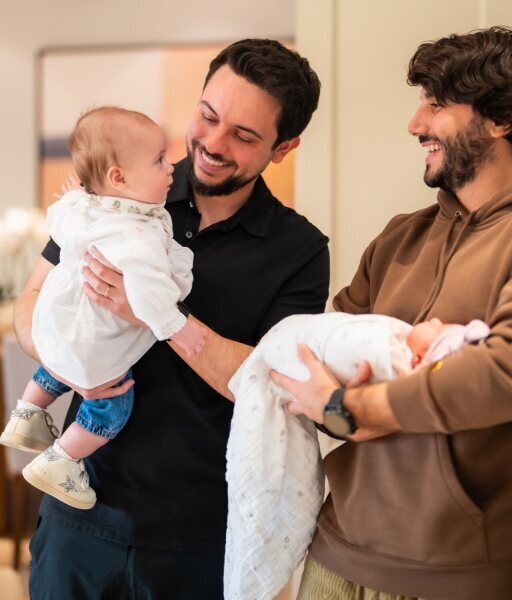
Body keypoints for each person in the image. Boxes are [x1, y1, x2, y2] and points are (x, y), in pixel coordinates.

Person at [272, 27, 512, 600]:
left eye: (437, 103)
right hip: (336, 556)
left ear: (502, 118)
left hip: (475, 576)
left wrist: (358, 406)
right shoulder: (400, 238)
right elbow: (320, 366)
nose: (415, 123)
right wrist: (338, 407)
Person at [15, 39, 329, 598]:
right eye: (208, 115)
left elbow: (277, 385)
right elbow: (29, 307)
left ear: (284, 147)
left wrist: (160, 317)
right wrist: (74, 365)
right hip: (78, 519)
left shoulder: (299, 250)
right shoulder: (117, 191)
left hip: (198, 537)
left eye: (244, 136)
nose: (213, 143)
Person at [1, 106, 204, 511]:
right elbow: (151, 298)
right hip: (95, 339)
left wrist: (75, 196)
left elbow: (60, 215)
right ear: (119, 177)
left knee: (63, 355)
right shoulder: (139, 237)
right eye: (160, 160)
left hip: (56, 323)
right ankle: (62, 459)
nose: (171, 168)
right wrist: (177, 326)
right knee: (113, 402)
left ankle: (27, 411)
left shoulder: (85, 207)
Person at [225, 313, 489, 600]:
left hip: (456, 561)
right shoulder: (377, 280)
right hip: (339, 543)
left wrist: (356, 407)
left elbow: (501, 381)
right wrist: (337, 410)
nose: (435, 320)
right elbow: (329, 384)